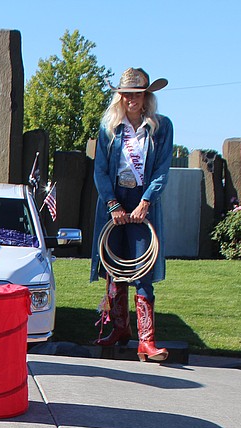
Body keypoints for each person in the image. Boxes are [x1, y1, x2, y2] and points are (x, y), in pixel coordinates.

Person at [91, 67, 174, 362]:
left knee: (142, 271)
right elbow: (100, 169)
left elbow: (162, 169)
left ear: (146, 96)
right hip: (116, 199)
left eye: (137, 94)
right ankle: (119, 328)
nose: (131, 100)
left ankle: (146, 340)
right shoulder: (109, 128)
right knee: (115, 268)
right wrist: (112, 203)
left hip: (143, 201)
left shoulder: (161, 127)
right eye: (126, 94)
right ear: (120, 97)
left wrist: (146, 202)